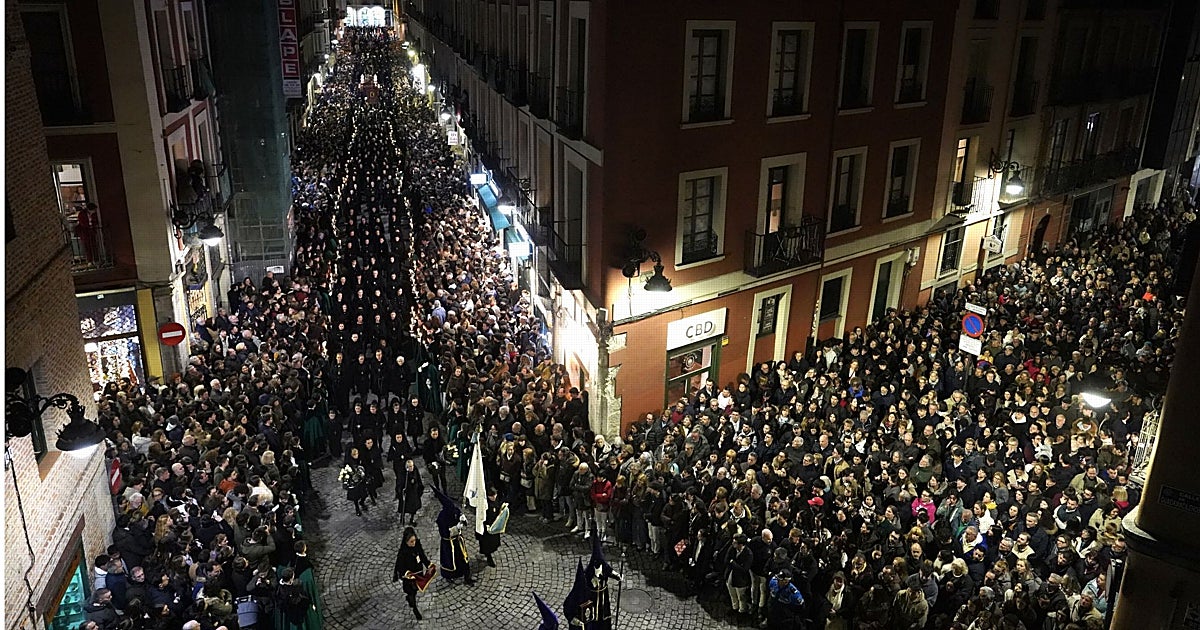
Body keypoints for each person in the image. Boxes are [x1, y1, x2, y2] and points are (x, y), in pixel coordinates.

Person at [392, 526, 433, 621]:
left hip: (418, 573)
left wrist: (428, 565)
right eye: (411, 542)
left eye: (414, 540)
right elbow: (400, 567)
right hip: (409, 578)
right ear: (406, 542)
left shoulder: (417, 544)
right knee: (411, 593)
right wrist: (407, 573)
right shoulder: (403, 553)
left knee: (416, 590)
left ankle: (410, 599)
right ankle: (414, 608)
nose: (414, 543)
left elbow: (422, 555)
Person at [477, 487, 504, 567]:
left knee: (493, 542)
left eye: (495, 495)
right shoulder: (485, 505)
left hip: (494, 526)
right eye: (492, 496)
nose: (494, 497)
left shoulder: (495, 501)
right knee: (487, 544)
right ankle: (488, 557)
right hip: (486, 528)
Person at [396, 458, 424, 525]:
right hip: (407, 494)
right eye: (410, 467)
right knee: (404, 507)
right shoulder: (403, 473)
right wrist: (400, 491)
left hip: (414, 493)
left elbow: (418, 480)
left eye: (412, 466)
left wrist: (419, 489)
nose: (411, 468)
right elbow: (400, 483)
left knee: (414, 508)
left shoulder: (415, 471)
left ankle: (412, 519)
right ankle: (402, 518)